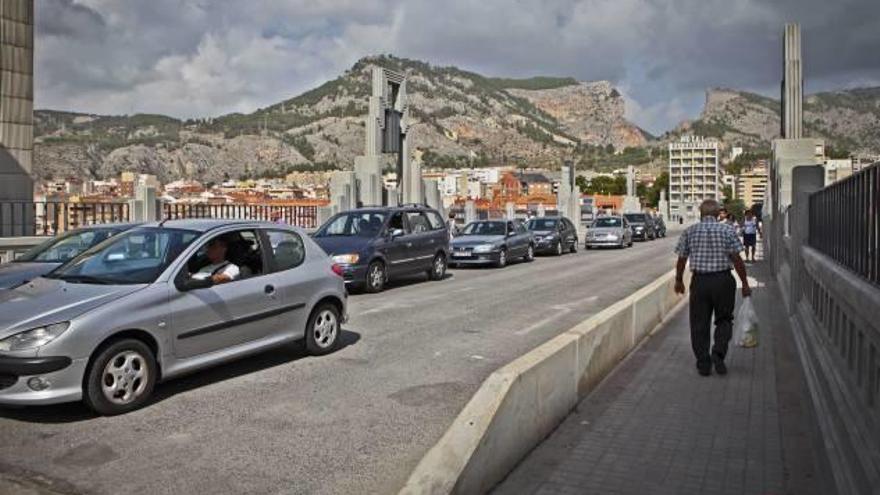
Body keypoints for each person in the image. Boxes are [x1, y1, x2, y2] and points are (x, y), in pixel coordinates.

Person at [674, 199, 751, 376]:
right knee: (724, 320)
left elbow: (682, 259)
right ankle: (718, 353)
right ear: (718, 214)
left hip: (700, 282)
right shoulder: (727, 230)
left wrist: (679, 280)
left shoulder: (690, 231)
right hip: (723, 280)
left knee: (699, 323)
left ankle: (703, 363)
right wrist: (745, 283)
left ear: (701, 213)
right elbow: (737, 259)